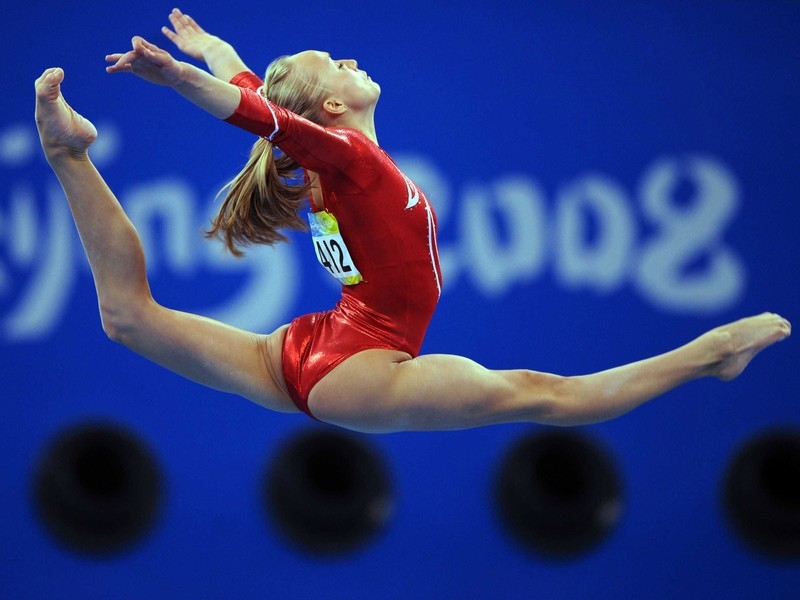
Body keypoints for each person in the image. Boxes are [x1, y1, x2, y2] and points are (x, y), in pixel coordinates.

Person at [35, 9, 790, 434]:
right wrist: (178, 77)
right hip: (358, 364)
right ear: (333, 105)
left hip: (305, 351)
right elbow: (258, 110)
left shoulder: (331, 160)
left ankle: (68, 154)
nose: (350, 60)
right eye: (336, 62)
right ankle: (712, 350)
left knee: (126, 317)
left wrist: (211, 52)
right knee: (547, 395)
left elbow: (258, 97)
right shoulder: (353, 162)